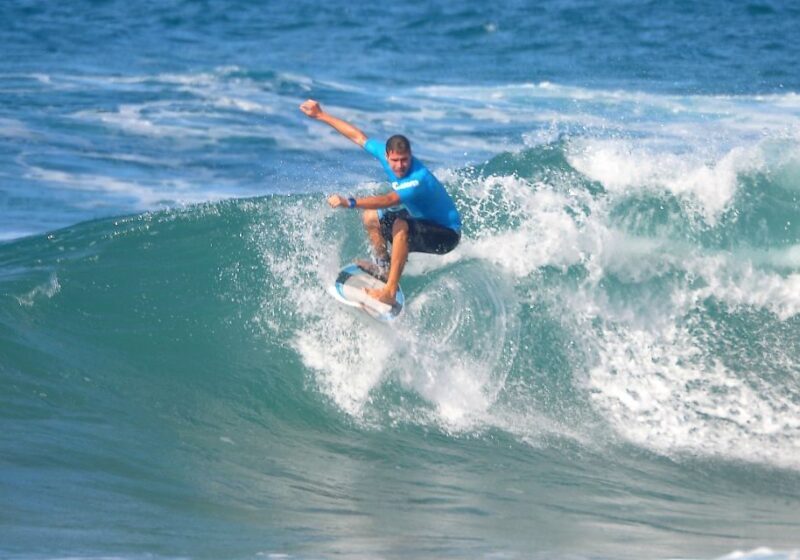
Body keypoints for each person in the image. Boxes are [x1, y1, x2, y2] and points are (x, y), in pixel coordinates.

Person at [300, 99, 461, 305]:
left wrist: (348, 202)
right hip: (424, 221)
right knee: (371, 217)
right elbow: (358, 136)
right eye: (395, 160)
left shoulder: (418, 178)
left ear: (410, 156)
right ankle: (382, 268)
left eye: (405, 159)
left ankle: (389, 291)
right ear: (387, 156)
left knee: (400, 225)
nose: (400, 165)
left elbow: (388, 200)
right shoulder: (386, 156)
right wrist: (321, 115)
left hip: (446, 235)